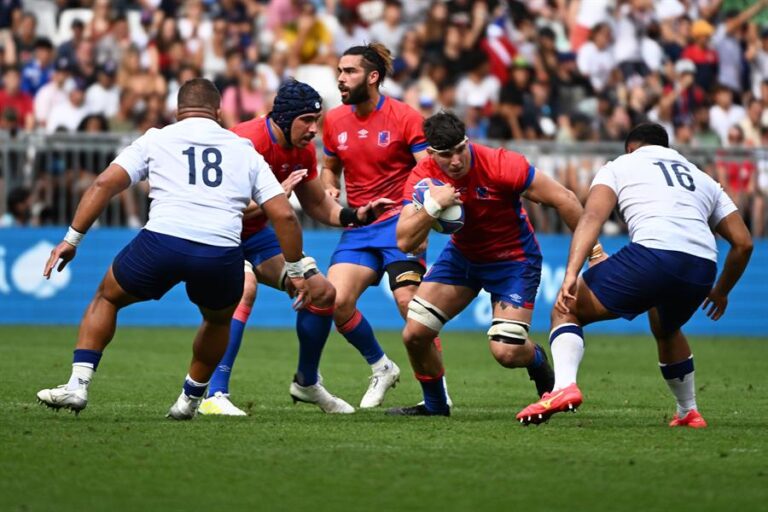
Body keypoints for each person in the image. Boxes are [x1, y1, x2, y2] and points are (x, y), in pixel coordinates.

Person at [36, 78, 309, 420]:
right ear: (219, 111)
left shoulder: (157, 138)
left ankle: (78, 385)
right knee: (218, 319)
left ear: (178, 111)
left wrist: (71, 240)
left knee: (107, 297)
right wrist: (296, 272)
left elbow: (104, 183)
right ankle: (190, 400)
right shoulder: (242, 149)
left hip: (162, 241)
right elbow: (284, 214)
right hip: (221, 249)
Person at [517, 123, 753, 428]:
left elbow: (591, 217)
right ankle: (688, 411)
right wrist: (721, 291)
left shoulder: (620, 165)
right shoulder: (701, 177)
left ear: (631, 147)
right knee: (667, 328)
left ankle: (563, 387)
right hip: (702, 268)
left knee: (567, 309)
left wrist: (572, 274)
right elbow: (743, 243)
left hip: (653, 254)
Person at [201, 79, 392, 416]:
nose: (314, 129)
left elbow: (318, 205)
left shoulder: (301, 150)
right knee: (243, 288)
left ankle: (306, 381)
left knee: (322, 292)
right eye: (307, 120)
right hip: (218, 232)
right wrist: (274, 195)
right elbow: (223, 204)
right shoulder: (245, 141)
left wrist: (354, 215)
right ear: (285, 118)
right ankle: (213, 395)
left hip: (257, 237)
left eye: (316, 120)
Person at [387, 111, 587, 417]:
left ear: (467, 141)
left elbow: (565, 199)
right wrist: (433, 205)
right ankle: (436, 406)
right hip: (463, 258)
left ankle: (535, 359)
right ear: (430, 154)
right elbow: (404, 240)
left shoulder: (501, 164)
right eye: (446, 155)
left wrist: (595, 252)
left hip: (514, 261)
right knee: (415, 334)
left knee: (505, 352)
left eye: (460, 149)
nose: (455, 160)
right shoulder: (424, 177)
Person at [321, 43, 434, 408]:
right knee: (335, 301)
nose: (340, 78)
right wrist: (327, 185)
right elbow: (330, 166)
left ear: (373, 77)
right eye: (339, 71)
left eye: (349, 71)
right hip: (361, 225)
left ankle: (437, 397)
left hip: (400, 225)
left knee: (410, 305)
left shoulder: (405, 117)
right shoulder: (335, 120)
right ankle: (381, 366)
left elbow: (428, 172)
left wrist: (420, 222)